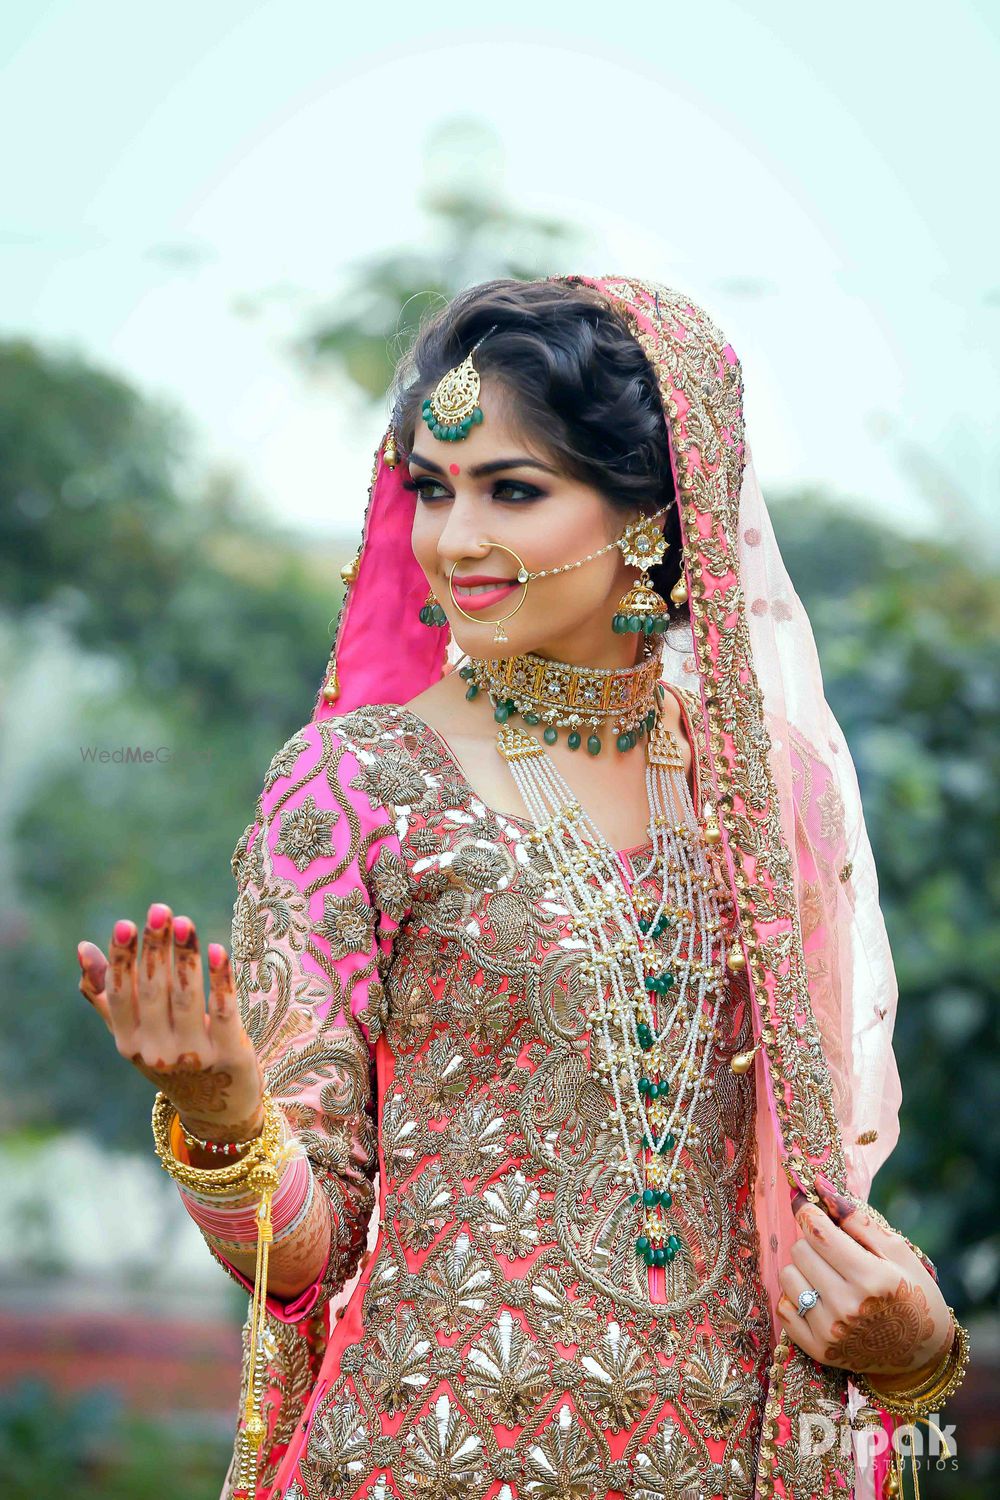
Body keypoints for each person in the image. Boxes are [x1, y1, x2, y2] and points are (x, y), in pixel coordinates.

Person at [77, 275, 968, 1500]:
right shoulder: (353, 786)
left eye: (513, 490)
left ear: (651, 508)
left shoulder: (773, 795)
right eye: (432, 491)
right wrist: (223, 1107)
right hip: (421, 1456)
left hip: (723, 1462)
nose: (452, 539)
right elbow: (301, 1264)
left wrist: (920, 1352)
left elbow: (810, 1191)